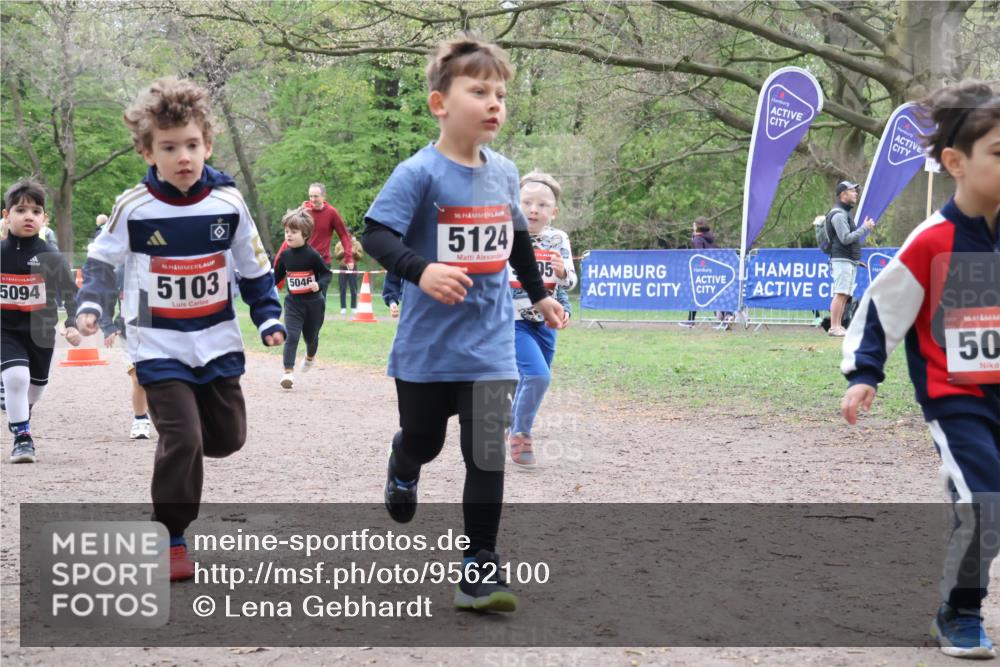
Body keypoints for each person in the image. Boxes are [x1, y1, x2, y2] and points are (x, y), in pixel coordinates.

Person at [361, 35, 564, 613]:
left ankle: (479, 567)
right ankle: (403, 464)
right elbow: (376, 233)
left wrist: (541, 295)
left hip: (491, 343)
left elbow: (518, 238)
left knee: (486, 455)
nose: (494, 102)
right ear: (439, 104)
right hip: (428, 347)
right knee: (425, 441)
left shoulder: (504, 172)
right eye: (479, 91)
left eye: (500, 93)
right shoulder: (418, 172)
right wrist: (421, 270)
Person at [75, 77, 285, 581]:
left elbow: (253, 267)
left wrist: (268, 315)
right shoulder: (134, 208)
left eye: (192, 145)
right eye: (169, 148)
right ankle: (170, 535)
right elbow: (102, 263)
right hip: (156, 341)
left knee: (228, 438)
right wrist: (89, 304)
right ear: (149, 152)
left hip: (214, 340)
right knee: (184, 437)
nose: (183, 157)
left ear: (208, 145)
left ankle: (187, 448)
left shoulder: (228, 205)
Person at [840, 80, 999, 659]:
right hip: (958, 400)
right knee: (988, 501)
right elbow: (881, 310)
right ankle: (958, 612)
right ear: (955, 163)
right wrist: (863, 373)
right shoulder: (931, 241)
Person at [1, 178, 82, 463]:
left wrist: (72, 322)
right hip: (6, 330)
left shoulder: (51, 255)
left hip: (40, 333)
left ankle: (22, 410)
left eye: (35, 212)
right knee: (15, 378)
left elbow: (71, 294)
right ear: (6, 215)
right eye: (21, 210)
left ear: (44, 219)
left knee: (35, 387)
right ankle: (22, 438)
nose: (28, 216)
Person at [507, 170, 574, 468]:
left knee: (531, 380)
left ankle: (509, 424)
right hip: (513, 320)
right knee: (538, 376)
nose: (534, 210)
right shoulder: (505, 233)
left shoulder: (558, 239)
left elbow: (568, 282)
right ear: (514, 204)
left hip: (546, 324)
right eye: (527, 203)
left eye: (543, 205)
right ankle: (521, 436)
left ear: (554, 212)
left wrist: (562, 275)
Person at [273, 207, 332, 389]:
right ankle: (288, 372)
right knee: (291, 335)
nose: (288, 235)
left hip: (314, 303)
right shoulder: (284, 255)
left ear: (305, 234)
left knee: (311, 337)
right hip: (293, 303)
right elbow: (276, 277)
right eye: (286, 232)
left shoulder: (313, 255)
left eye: (293, 232)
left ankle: (310, 356)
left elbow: (327, 274)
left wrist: (318, 285)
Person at [99, 266, 152, 439]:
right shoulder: (119, 271)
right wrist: (108, 328)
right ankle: (140, 419)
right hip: (128, 333)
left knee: (163, 378)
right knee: (139, 377)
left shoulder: (162, 264)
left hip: (159, 332)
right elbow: (106, 303)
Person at [826, 181, 875, 337]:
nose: (856, 194)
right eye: (852, 191)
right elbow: (846, 239)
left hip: (847, 260)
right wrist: (864, 228)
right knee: (840, 293)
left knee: (845, 294)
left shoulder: (844, 213)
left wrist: (855, 260)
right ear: (843, 194)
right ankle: (834, 327)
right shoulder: (839, 215)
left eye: (855, 191)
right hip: (841, 260)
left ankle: (838, 326)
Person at [334, 233, 363, 315]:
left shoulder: (357, 244)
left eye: (349, 235)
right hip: (342, 267)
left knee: (353, 288)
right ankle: (343, 308)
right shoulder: (339, 244)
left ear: (352, 235)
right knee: (342, 288)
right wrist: (342, 251)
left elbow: (360, 256)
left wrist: (355, 252)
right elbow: (336, 256)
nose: (348, 237)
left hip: (353, 267)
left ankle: (353, 307)